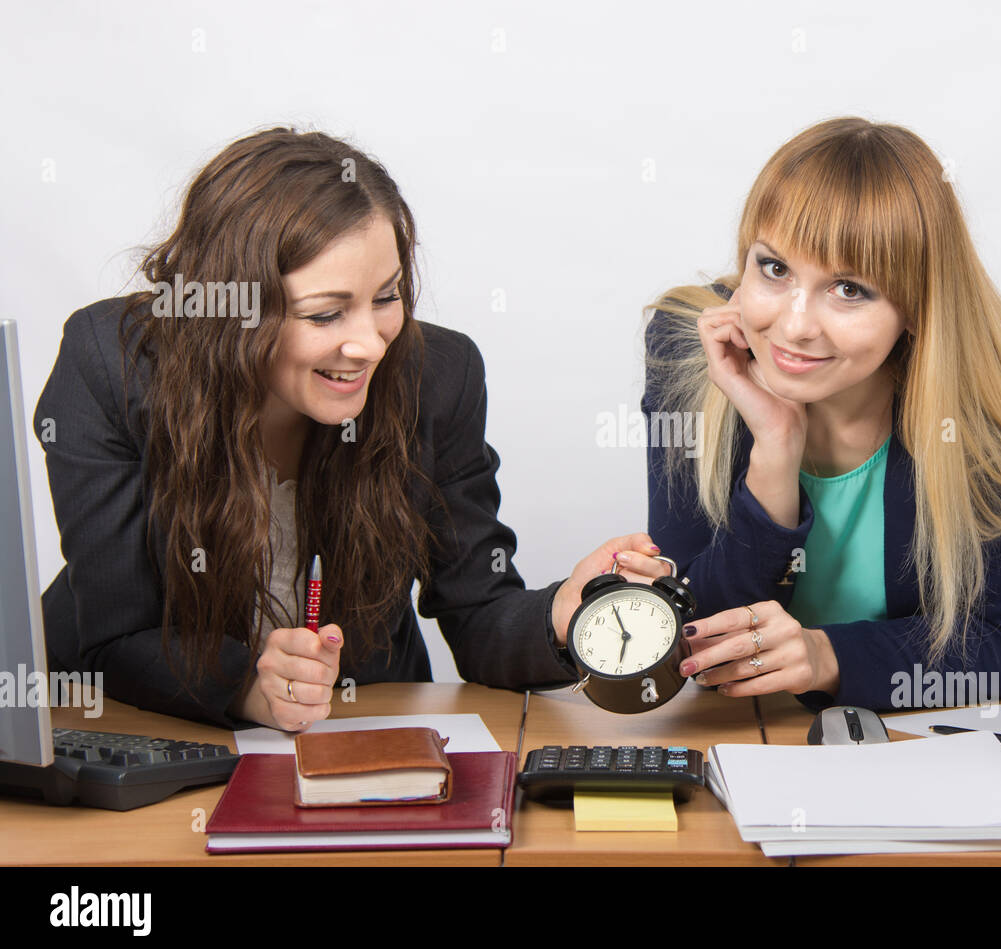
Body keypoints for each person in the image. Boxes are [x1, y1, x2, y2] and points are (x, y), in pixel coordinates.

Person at [36, 127, 661, 730]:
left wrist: (561, 613)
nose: (368, 344)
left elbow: (477, 611)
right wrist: (250, 687)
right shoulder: (110, 366)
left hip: (350, 731)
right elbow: (115, 636)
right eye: (327, 313)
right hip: (135, 725)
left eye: (386, 298)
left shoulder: (438, 375)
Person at [642, 117, 1001, 712]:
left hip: (997, 726)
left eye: (850, 289)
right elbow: (689, 631)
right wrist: (776, 448)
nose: (794, 325)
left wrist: (827, 656)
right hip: (771, 737)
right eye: (775, 269)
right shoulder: (691, 351)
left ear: (918, 305)